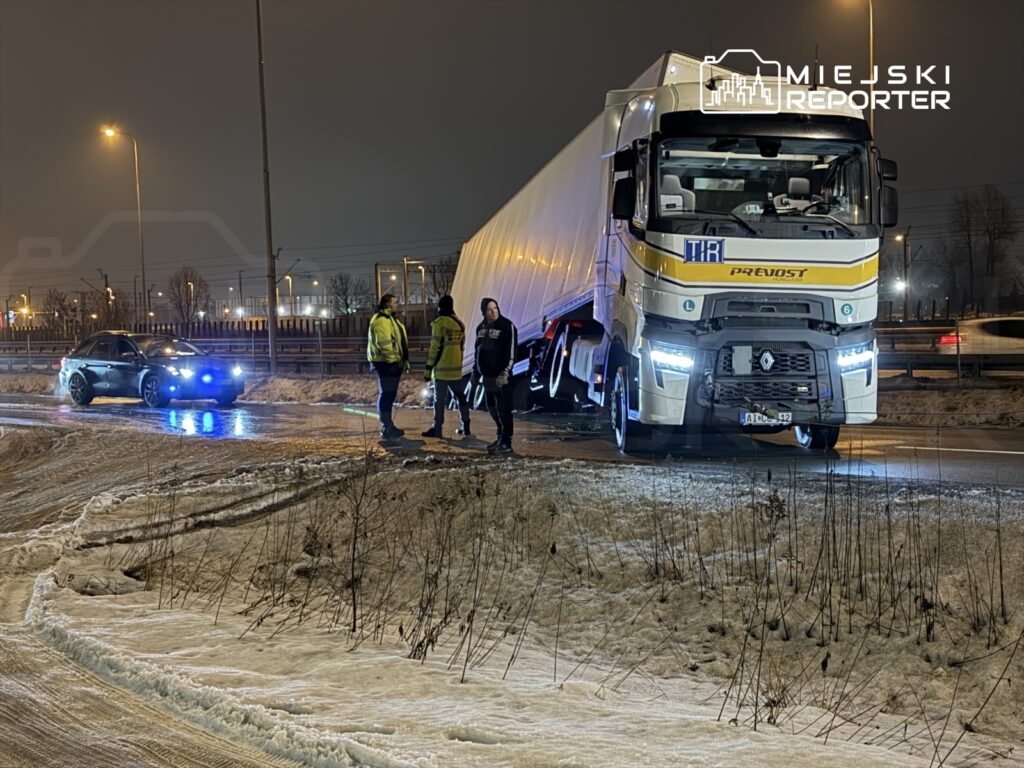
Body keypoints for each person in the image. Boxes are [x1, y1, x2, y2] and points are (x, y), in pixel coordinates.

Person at [421, 295, 472, 439]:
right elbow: (462, 347)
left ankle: (437, 429)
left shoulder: (439, 324)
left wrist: (428, 369)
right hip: (455, 370)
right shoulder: (460, 324)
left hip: (442, 371)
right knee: (460, 398)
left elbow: (434, 349)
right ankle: (465, 424)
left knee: (439, 401)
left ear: (440, 307)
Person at [474, 297, 517, 453]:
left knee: (503, 409)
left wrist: (505, 372)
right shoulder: (480, 328)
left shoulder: (506, 326)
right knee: (492, 407)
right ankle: (500, 435)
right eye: (490, 310)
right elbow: (477, 351)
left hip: (501, 376)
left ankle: (506, 441)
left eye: (495, 308)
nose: (494, 312)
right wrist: (475, 371)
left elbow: (511, 352)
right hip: (487, 376)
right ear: (484, 312)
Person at [367, 293, 409, 439]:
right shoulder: (382, 320)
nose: (398, 304)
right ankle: (386, 426)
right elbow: (384, 343)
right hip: (385, 363)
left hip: (390, 363)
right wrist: (393, 360)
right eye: (395, 302)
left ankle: (387, 425)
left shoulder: (390, 319)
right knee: (387, 395)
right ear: (387, 304)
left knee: (389, 394)